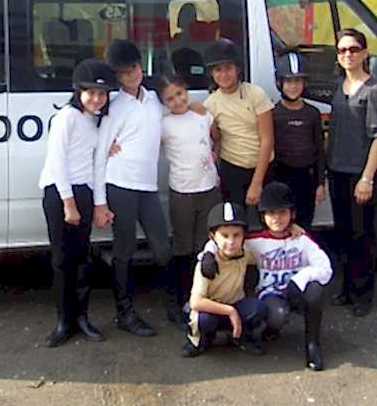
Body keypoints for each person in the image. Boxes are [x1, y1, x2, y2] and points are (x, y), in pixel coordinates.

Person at [93, 39, 178, 336]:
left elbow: (175, 110)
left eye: (134, 68)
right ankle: (125, 312)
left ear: (141, 66)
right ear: (117, 76)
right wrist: (100, 201)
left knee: (162, 247)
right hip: (120, 185)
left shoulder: (154, 99)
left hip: (147, 186)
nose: (131, 75)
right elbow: (99, 155)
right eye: (124, 72)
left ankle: (174, 306)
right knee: (124, 249)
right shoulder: (114, 108)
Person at [200, 182, 332, 370]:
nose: (277, 218)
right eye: (271, 213)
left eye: (282, 213)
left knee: (315, 290)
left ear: (292, 214)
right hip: (272, 294)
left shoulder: (302, 239)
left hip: (297, 291)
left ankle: (313, 344)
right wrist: (208, 252)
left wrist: (299, 280)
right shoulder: (257, 241)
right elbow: (228, 241)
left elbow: (325, 267)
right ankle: (271, 330)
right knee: (278, 314)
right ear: (263, 216)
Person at [37, 58, 117, 347]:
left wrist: (97, 204)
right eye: (90, 93)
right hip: (60, 193)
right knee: (62, 259)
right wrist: (68, 204)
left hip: (84, 192)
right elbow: (57, 163)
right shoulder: (65, 118)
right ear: (78, 91)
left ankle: (82, 317)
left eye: (102, 94)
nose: (96, 99)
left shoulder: (95, 122)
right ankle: (64, 321)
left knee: (82, 258)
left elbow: (95, 165)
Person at [327, 29, 377, 317]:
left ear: (364, 53)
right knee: (342, 233)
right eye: (342, 50)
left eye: (353, 49)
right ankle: (346, 288)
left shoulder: (374, 90)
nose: (348, 55)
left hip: (360, 174)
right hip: (337, 170)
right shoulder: (338, 86)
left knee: (361, 235)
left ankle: (363, 294)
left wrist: (367, 178)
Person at [159, 74, 222, 325]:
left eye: (180, 93)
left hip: (209, 189)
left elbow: (217, 137)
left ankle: (204, 295)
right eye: (170, 98)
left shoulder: (202, 115)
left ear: (186, 90)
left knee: (205, 246)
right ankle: (182, 297)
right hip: (182, 192)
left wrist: (216, 153)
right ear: (163, 103)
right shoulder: (164, 124)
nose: (177, 100)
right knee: (183, 247)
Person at [182, 201, 267, 358]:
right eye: (225, 235)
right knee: (204, 320)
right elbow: (195, 302)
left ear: (244, 235)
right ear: (212, 236)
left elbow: (271, 241)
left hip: (236, 303)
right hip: (212, 308)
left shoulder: (247, 253)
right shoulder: (207, 262)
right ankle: (202, 340)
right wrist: (230, 311)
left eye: (237, 235)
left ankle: (240, 335)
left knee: (258, 308)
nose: (231, 242)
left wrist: (294, 228)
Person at [203, 38, 274, 221]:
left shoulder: (255, 94)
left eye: (228, 68)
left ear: (238, 69)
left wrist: (257, 182)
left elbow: (267, 139)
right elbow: (215, 139)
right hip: (232, 169)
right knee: (236, 222)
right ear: (211, 73)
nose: (224, 74)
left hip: (263, 166)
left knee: (269, 221)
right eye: (218, 70)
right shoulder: (211, 104)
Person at [271, 52, 326, 230]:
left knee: (304, 225)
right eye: (288, 81)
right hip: (281, 177)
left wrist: (320, 183)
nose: (293, 86)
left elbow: (319, 150)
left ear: (305, 83)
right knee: (282, 225)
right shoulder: (273, 113)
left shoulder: (312, 113)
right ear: (279, 83)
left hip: (306, 178)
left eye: (298, 81)